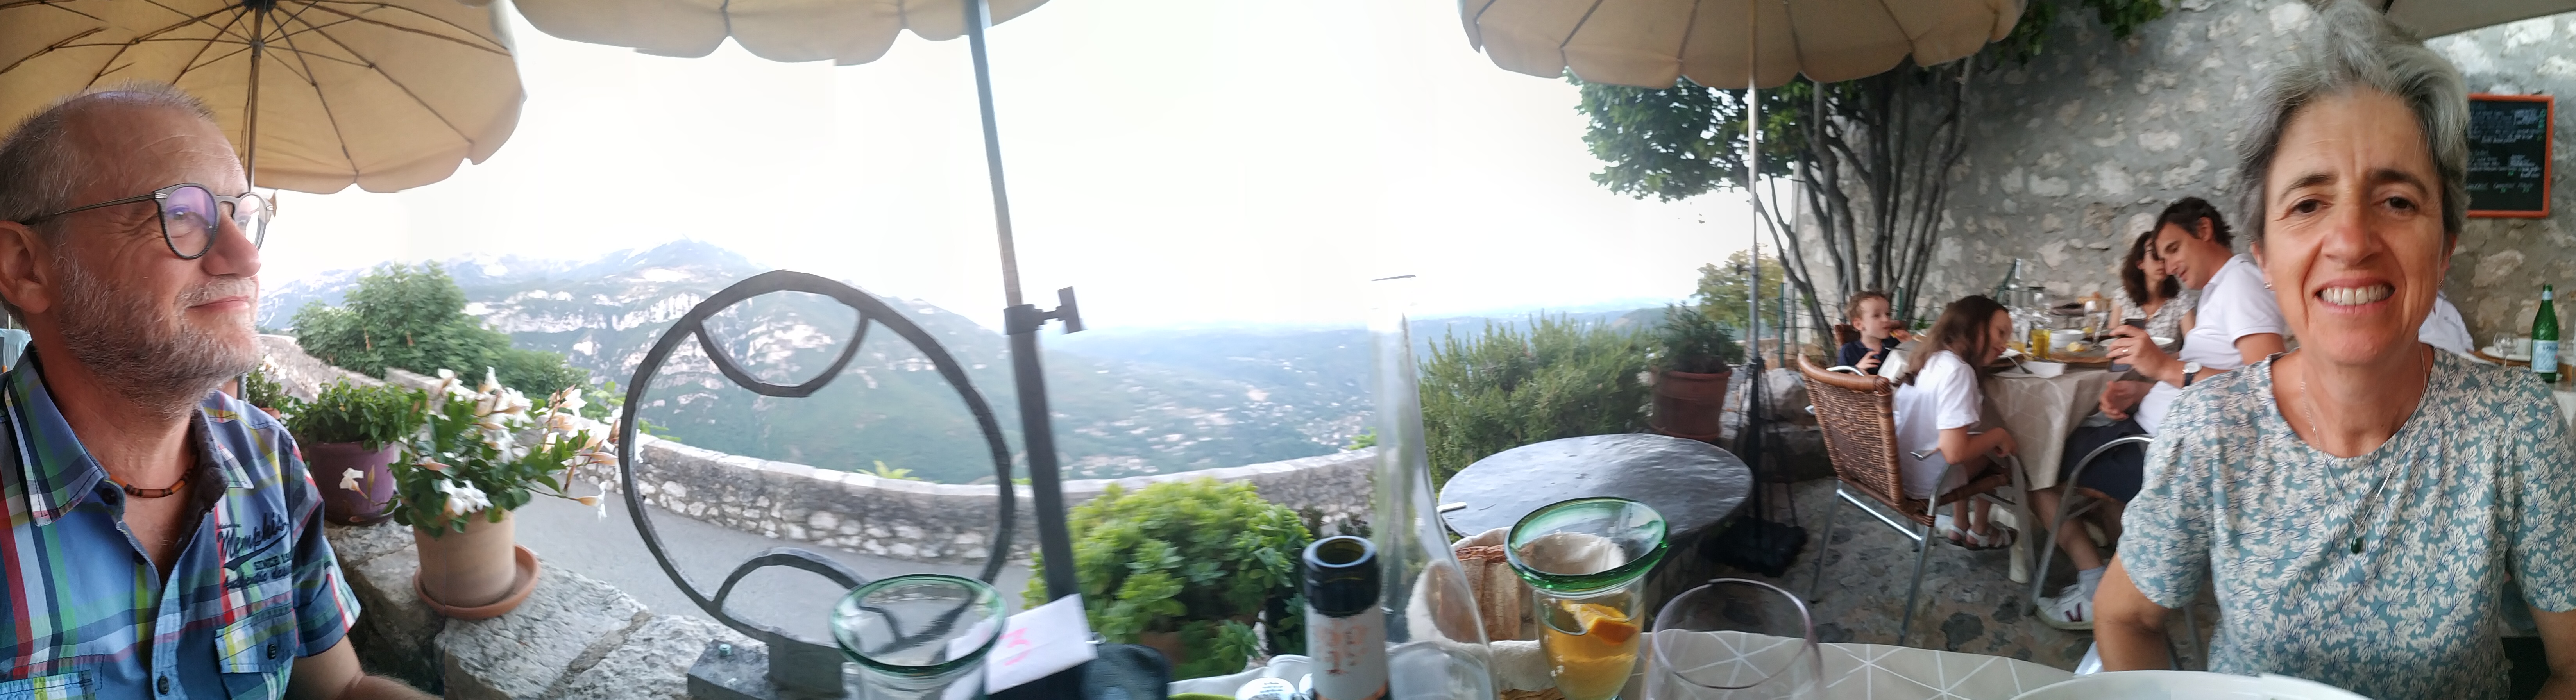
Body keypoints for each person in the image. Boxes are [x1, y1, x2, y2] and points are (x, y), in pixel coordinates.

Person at [2093, 4, 2576, 698]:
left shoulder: (2514, 427)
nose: (2350, 242)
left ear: (2444, 250)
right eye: (2308, 204)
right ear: (2263, 257)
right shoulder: (2212, 429)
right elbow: (2124, 618)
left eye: (2398, 201)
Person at [0, 86, 432, 698]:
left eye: (242, 215)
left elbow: (340, 690)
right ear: (26, 266)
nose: (246, 258)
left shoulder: (267, 456)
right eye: (180, 213)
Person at [2024, 226, 2207, 630]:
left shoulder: (2183, 303)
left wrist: (2155, 373)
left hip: (2152, 419)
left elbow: (2190, 359)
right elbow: (2108, 347)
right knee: (2072, 439)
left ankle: (2099, 575)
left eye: (2168, 253)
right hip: (2131, 398)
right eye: (2155, 254)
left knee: (2041, 462)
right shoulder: (2125, 300)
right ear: (2139, 262)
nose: (2163, 263)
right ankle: (2111, 545)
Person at [1891, 295, 2017, 549]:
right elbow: (1955, 453)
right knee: (2001, 458)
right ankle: (1980, 530)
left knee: (1970, 438)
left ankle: (1961, 525)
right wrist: (1999, 435)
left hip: (1899, 471)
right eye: (2001, 333)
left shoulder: (1930, 358)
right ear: (1975, 326)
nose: (2005, 345)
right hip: (1927, 481)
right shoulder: (1959, 372)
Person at [1837, 290, 1900, 373]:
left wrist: (1909, 344)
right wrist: (1858, 369)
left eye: (1888, 314)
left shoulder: (1896, 344)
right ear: (1859, 324)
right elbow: (1841, 380)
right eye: (1877, 316)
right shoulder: (1849, 350)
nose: (1886, 319)